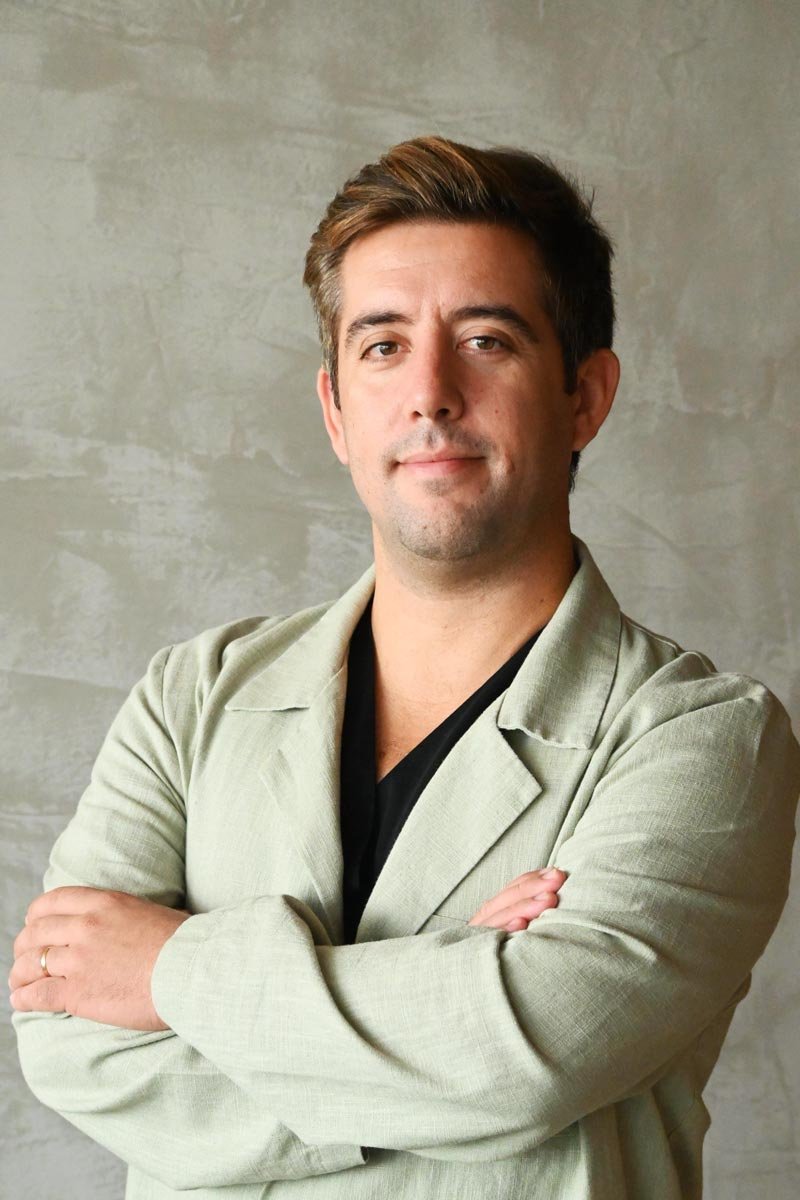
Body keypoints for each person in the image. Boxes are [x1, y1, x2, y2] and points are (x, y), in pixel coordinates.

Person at [10, 135, 800, 1200]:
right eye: (382, 346)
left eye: (486, 340)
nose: (429, 392)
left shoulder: (699, 737)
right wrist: (436, 1009)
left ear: (584, 396)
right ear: (336, 409)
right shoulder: (190, 697)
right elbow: (70, 1045)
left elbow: (522, 1053)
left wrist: (167, 971)